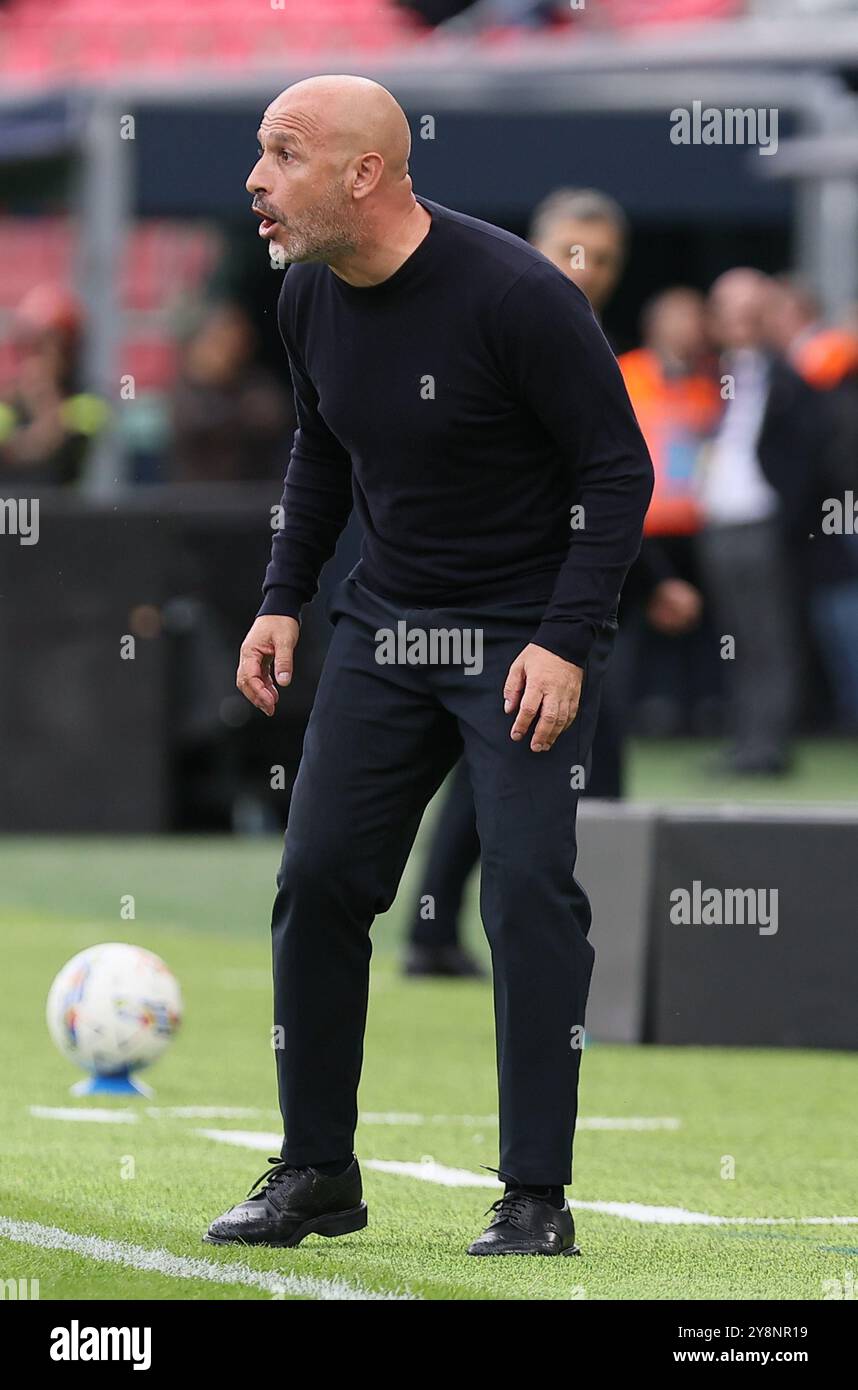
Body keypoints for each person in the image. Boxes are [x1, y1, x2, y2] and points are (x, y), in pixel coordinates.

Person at [205, 75, 652, 1258]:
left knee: (524, 891)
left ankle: (536, 1196)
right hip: (387, 629)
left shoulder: (520, 293)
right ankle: (316, 1173)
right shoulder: (307, 295)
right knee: (318, 881)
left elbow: (618, 474)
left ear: (365, 174)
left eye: (283, 154)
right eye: (261, 151)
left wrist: (564, 639)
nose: (257, 179)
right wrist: (283, 600)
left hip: (523, 634)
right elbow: (321, 453)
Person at [696, 269, 823, 774]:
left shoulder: (790, 377)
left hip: (765, 524)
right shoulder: (709, 374)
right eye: (728, 308)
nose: (739, 318)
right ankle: (746, 739)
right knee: (736, 637)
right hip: (718, 523)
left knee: (771, 638)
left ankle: (768, 745)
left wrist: (792, 513)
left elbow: (812, 455)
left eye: (750, 308)